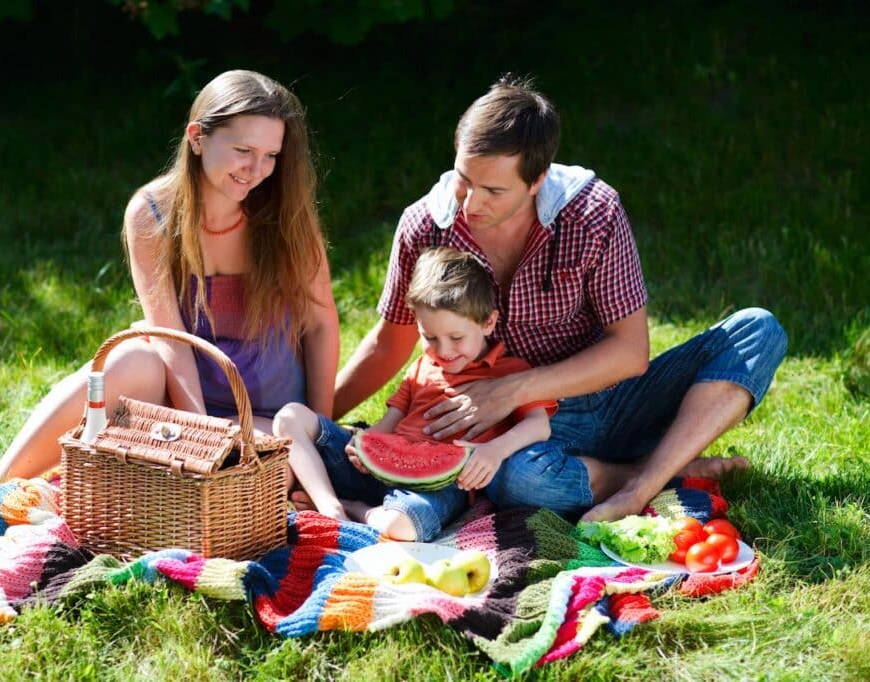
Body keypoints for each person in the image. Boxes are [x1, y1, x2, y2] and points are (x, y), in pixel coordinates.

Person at [333, 75, 787, 524]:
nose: (471, 203)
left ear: (537, 180)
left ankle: (639, 490)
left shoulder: (593, 213)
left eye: (493, 190)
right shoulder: (425, 226)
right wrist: (317, 415)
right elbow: (390, 341)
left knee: (758, 330)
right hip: (530, 430)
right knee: (518, 481)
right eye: (464, 180)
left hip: (617, 398)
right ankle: (663, 469)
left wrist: (509, 390)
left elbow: (631, 353)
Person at [0, 70, 339, 551]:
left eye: (271, 155)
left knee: (265, 459)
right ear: (197, 138)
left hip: (265, 410)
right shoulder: (152, 212)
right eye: (243, 151)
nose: (257, 169)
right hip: (184, 392)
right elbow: (170, 337)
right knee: (129, 359)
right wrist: (203, 437)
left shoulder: (284, 214)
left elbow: (319, 323)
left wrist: (320, 431)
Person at [274, 247, 557, 541]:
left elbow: (539, 424)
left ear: (488, 322)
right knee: (289, 416)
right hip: (376, 470)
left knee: (402, 527)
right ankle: (329, 507)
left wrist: (495, 451)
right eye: (430, 337)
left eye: (456, 338)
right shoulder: (422, 366)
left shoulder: (511, 372)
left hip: (443, 486)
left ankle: (355, 509)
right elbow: (389, 423)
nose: (443, 350)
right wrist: (364, 446)